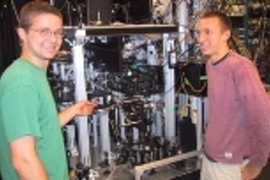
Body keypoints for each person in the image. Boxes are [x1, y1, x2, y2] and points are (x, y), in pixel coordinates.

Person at [0, 2, 96, 180]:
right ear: (22, 34)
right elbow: (23, 161)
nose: (53, 39)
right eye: (43, 31)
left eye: (58, 32)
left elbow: (43, 128)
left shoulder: (33, 73)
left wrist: (74, 110)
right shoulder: (21, 83)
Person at [196, 11, 270, 180]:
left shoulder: (241, 68)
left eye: (208, 32)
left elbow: (263, 117)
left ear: (226, 35)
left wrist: (258, 163)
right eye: (199, 32)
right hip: (210, 158)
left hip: (230, 166)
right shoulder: (210, 64)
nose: (200, 39)